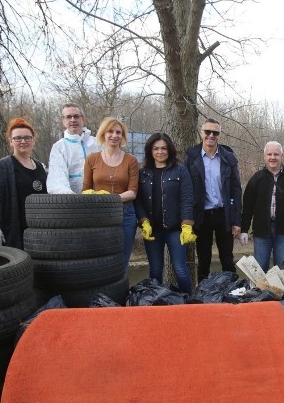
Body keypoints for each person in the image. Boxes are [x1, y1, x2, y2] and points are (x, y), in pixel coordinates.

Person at [135, 132, 195, 294]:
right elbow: (138, 200)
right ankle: (155, 303)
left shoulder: (180, 170)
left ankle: (189, 302)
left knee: (180, 269)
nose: (160, 152)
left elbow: (187, 198)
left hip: (176, 229)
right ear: (150, 151)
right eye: (156, 148)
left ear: (169, 150)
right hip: (152, 230)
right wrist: (143, 221)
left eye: (163, 148)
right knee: (155, 270)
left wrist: (187, 225)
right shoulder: (143, 173)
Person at [184, 118, 242, 281]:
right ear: (201, 133)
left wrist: (237, 220)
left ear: (219, 135)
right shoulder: (192, 156)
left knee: (227, 259)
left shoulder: (228, 157)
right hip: (201, 216)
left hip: (224, 214)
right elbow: (186, 191)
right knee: (203, 259)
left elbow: (236, 190)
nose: (211, 135)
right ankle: (204, 295)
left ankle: (232, 293)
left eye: (215, 133)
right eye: (207, 132)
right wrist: (188, 219)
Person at [240, 141, 284, 272]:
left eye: (276, 154)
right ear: (264, 156)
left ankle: (280, 292)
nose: (272, 157)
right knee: (259, 269)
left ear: (282, 156)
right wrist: (244, 229)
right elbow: (247, 207)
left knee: (281, 269)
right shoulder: (256, 179)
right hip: (261, 230)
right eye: (269, 154)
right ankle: (260, 292)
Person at [83, 117, 139, 264]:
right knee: (102, 260)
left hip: (125, 214)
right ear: (103, 134)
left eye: (118, 132)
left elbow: (133, 192)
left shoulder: (131, 160)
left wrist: (110, 199)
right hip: (99, 214)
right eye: (110, 131)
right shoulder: (92, 159)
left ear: (123, 136)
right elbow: (86, 190)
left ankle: (122, 288)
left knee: (122, 261)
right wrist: (101, 201)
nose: (114, 135)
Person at [0, 118, 47, 249]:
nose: (23, 141)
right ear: (10, 141)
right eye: (18, 138)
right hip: (15, 229)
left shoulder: (40, 166)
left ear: (33, 140)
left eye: (27, 137)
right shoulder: (2, 166)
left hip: (38, 230)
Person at [46, 104, 99, 194]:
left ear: (83, 119)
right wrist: (69, 197)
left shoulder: (97, 143)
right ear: (63, 121)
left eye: (76, 116)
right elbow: (57, 179)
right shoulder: (59, 147)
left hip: (101, 201)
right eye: (68, 117)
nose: (73, 120)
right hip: (73, 203)